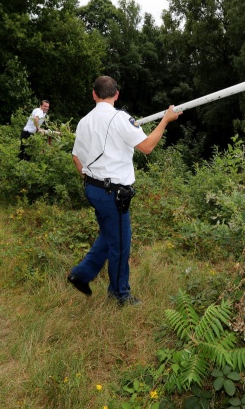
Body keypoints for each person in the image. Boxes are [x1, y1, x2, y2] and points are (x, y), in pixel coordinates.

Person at [67, 76, 182, 305]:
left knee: (110, 235)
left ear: (94, 94)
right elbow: (147, 147)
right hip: (112, 194)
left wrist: (89, 176)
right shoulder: (121, 119)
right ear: (116, 94)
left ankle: (81, 274)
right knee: (120, 243)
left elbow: (75, 157)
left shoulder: (84, 121)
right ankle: (120, 294)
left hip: (93, 189)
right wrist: (166, 120)